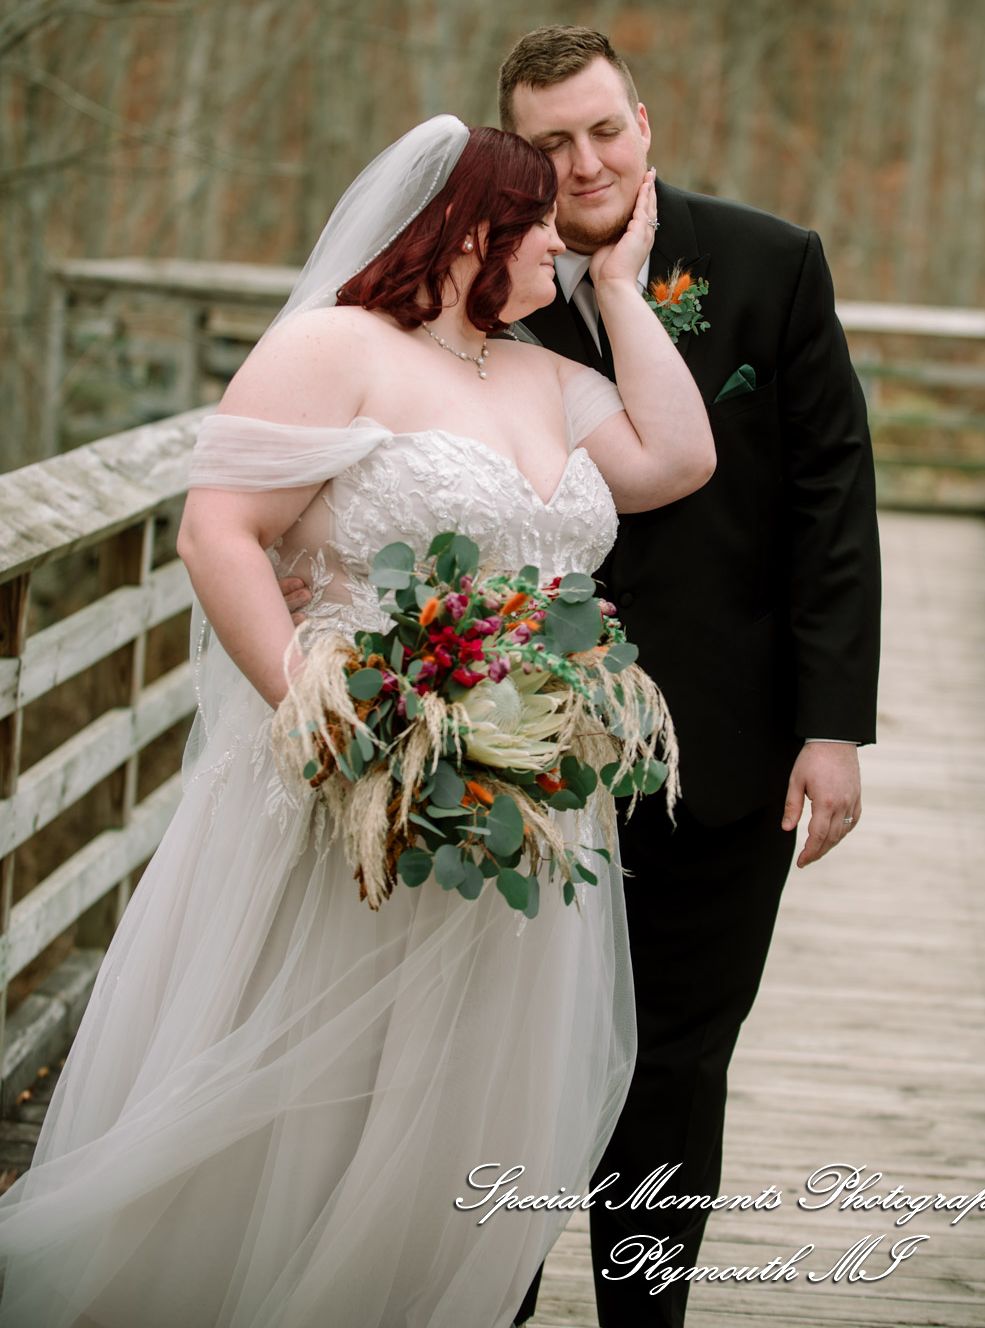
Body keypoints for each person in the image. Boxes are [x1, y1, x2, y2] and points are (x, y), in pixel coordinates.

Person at [0, 118, 714, 1328]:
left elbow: (677, 459)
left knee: (450, 1113)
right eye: (539, 220)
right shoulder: (335, 346)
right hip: (352, 788)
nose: (559, 238)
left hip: (513, 807)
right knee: (307, 1100)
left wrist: (617, 291)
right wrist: (334, 723)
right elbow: (216, 532)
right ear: (466, 226)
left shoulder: (543, 371)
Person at [499, 28, 882, 1328]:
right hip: (516, 747)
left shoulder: (768, 264)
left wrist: (832, 728)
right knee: (504, 1066)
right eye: (548, 142)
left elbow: (833, 496)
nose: (582, 160)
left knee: (674, 1065)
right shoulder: (481, 283)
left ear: (644, 124)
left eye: (601, 129)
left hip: (727, 747)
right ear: (516, 152)